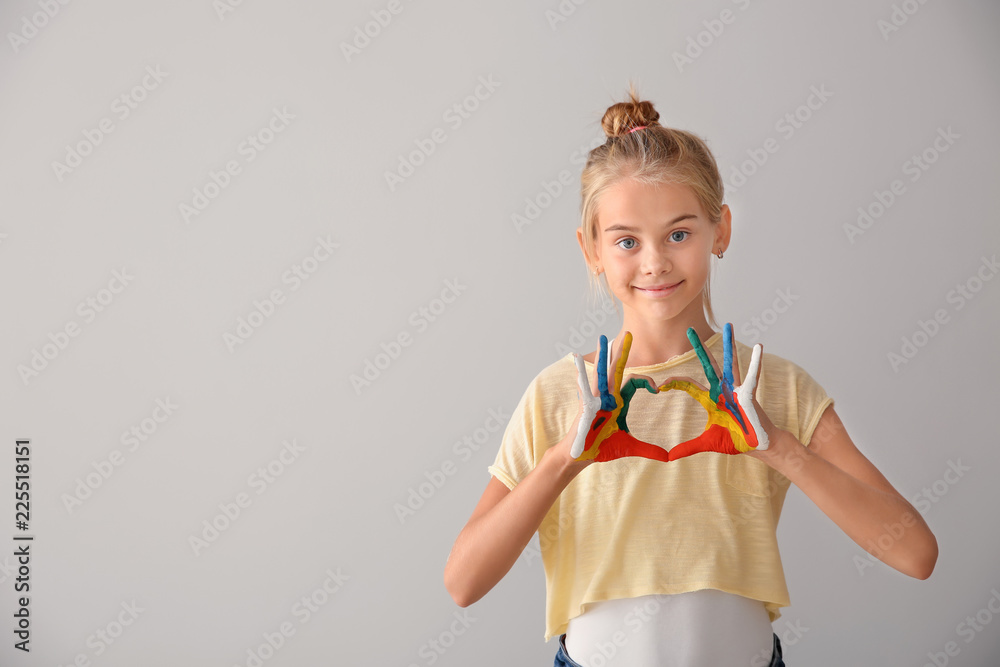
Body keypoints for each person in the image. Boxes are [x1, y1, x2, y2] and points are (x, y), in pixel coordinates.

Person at [443, 82, 938, 666]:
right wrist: (563, 461)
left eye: (679, 234)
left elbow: (915, 554)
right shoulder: (561, 396)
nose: (654, 261)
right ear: (592, 250)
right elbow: (463, 583)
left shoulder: (767, 386)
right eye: (626, 241)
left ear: (720, 230)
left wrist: (780, 450)